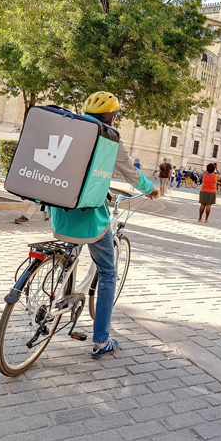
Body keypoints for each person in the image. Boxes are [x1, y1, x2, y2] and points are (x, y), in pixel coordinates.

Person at [46, 91, 159, 359]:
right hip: (89, 218)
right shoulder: (110, 139)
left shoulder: (70, 128)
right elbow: (131, 173)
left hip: (59, 212)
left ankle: (63, 293)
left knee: (72, 248)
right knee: (108, 274)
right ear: (112, 117)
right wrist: (150, 189)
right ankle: (101, 339)